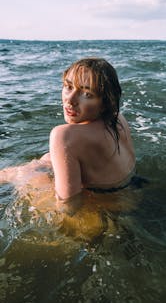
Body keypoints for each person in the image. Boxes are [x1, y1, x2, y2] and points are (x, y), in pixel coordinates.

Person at [0, 58, 136, 206]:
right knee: (48, 158)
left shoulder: (64, 135)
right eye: (68, 87)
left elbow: (68, 206)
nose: (70, 100)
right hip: (131, 194)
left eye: (87, 94)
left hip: (100, 212)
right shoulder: (118, 120)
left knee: (19, 174)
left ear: (104, 103)